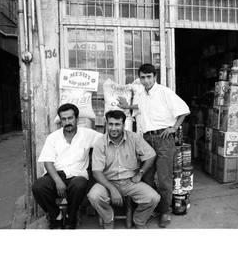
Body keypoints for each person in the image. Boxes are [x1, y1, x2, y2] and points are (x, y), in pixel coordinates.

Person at [118, 63, 190, 228]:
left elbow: (184, 110)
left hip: (163, 138)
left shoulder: (165, 92)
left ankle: (165, 211)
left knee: (164, 178)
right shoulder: (142, 95)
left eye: (149, 77)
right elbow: (141, 107)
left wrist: (174, 127)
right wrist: (127, 106)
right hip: (146, 139)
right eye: (142, 77)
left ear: (154, 77)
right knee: (147, 177)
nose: (146, 80)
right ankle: (153, 207)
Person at [32, 103, 102, 229]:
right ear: (60, 121)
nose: (67, 122)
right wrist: (58, 181)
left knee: (79, 185)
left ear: (77, 118)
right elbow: (47, 161)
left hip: (77, 175)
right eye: (64, 119)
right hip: (56, 174)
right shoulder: (53, 137)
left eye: (70, 118)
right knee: (38, 187)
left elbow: (106, 141)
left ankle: (71, 216)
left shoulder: (88, 134)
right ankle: (56, 216)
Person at [87, 110, 160, 229]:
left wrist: (141, 173)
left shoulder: (134, 138)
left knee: (153, 198)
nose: (113, 128)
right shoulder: (100, 143)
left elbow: (151, 155)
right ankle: (108, 218)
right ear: (106, 124)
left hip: (130, 182)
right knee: (93, 196)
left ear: (123, 125)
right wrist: (112, 189)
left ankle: (139, 220)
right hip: (107, 182)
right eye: (110, 124)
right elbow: (96, 172)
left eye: (117, 124)